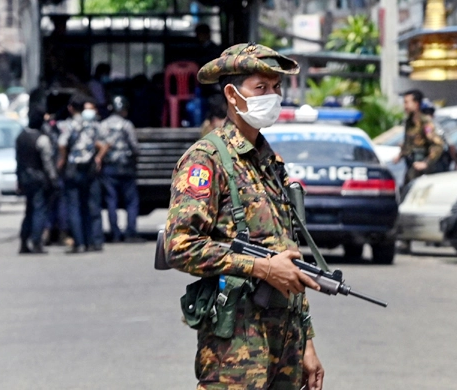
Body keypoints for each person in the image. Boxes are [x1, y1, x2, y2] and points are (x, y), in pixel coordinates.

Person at [164, 43, 324, 389]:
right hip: (235, 345)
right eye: (261, 88)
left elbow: (288, 257)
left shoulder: (270, 162)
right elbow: (180, 246)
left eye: (277, 88)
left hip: (285, 342)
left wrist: (307, 341)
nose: (272, 96)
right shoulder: (206, 159)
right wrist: (261, 267)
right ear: (233, 96)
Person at [57, 95, 108, 254]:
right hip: (90, 168)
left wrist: (63, 159)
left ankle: (79, 243)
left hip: (74, 168)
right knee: (91, 205)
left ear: (71, 108)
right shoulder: (92, 124)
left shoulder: (69, 124)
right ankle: (94, 241)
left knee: (74, 207)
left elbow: (62, 143)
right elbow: (102, 143)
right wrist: (98, 157)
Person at [16, 108, 59, 254]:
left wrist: (19, 180)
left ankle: (23, 241)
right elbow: (47, 163)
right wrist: (53, 179)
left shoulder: (21, 137)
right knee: (39, 210)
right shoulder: (42, 139)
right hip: (39, 179)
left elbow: (18, 161)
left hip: (25, 178)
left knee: (29, 210)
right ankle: (36, 241)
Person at [99, 96, 140, 243]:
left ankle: (115, 233)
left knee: (111, 201)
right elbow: (134, 146)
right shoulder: (127, 125)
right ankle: (131, 232)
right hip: (126, 167)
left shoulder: (103, 125)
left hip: (109, 167)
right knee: (131, 201)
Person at [393, 89, 445, 186]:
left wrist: (426, 163)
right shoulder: (409, 122)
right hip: (410, 168)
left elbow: (438, 145)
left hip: (422, 172)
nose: (405, 106)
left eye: (407, 102)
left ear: (416, 104)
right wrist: (400, 155)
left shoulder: (425, 122)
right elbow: (409, 143)